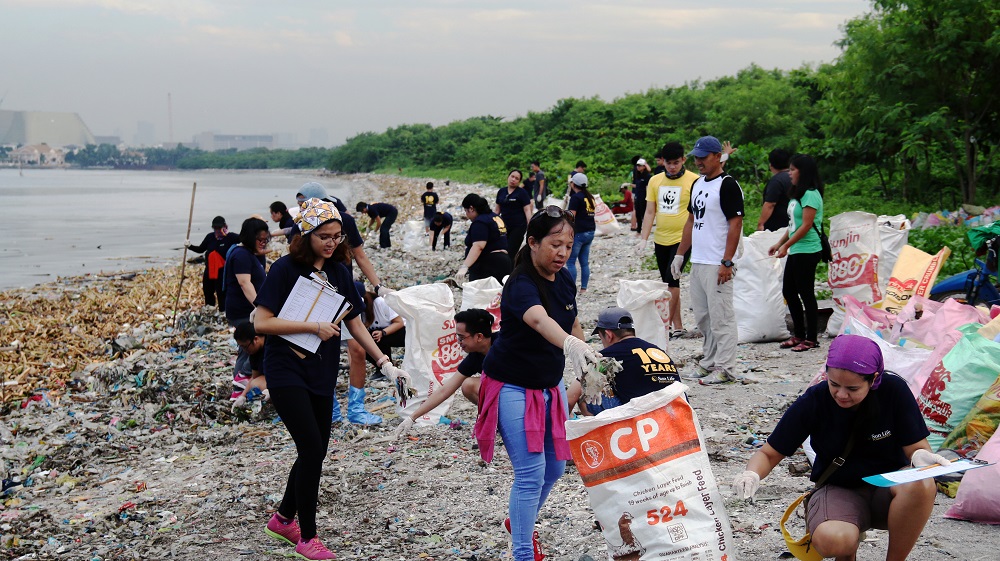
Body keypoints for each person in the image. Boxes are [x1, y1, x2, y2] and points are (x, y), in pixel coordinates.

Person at [253, 197, 411, 560]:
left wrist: (385, 363)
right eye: (323, 235)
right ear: (305, 235)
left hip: (321, 370)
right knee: (310, 447)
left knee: (317, 450)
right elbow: (261, 322)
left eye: (337, 236)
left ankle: (282, 519)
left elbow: (354, 321)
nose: (331, 242)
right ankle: (307, 537)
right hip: (285, 368)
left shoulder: (340, 272)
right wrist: (312, 325)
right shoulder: (285, 269)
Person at [732, 335, 948, 561]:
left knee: (922, 483)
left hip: (889, 491)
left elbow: (916, 447)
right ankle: (846, 552)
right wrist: (752, 473)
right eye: (834, 384)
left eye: (852, 388)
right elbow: (769, 453)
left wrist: (921, 457)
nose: (841, 395)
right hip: (840, 488)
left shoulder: (894, 391)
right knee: (835, 540)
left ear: (874, 379)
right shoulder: (814, 400)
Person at [475, 207, 601, 561]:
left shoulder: (564, 278)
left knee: (555, 468)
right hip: (511, 385)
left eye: (568, 244)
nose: (562, 252)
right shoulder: (520, 283)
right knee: (530, 473)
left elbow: (571, 320)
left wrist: (588, 357)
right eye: (554, 244)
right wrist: (570, 345)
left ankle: (519, 520)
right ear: (532, 243)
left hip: (549, 386)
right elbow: (539, 319)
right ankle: (522, 553)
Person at [296, 182, 390, 424]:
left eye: (304, 202)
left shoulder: (344, 220)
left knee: (357, 349)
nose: (301, 208)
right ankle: (331, 409)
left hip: (343, 293)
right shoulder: (303, 223)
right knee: (317, 353)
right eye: (299, 204)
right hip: (314, 297)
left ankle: (357, 409)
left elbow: (359, 255)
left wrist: (378, 285)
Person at [673, 135, 744, 385]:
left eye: (703, 157)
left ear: (716, 156)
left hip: (717, 261)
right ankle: (709, 361)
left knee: (721, 316)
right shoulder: (698, 184)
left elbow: (735, 224)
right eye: (696, 157)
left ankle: (726, 367)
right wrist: (681, 254)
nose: (698, 161)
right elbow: (691, 221)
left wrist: (727, 261)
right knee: (703, 316)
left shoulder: (727, 185)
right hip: (700, 261)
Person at [393, 308, 495, 438]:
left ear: (479, 336)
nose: (459, 342)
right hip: (503, 392)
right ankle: (498, 419)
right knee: (468, 385)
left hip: (522, 390)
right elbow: (445, 390)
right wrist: (412, 418)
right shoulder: (474, 358)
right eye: (457, 337)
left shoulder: (503, 344)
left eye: (462, 337)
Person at [566, 307, 681, 415]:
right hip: (677, 412)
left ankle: (606, 433)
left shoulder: (607, 355)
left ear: (608, 335)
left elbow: (571, 397)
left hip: (644, 419)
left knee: (586, 388)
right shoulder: (657, 350)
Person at [637, 141, 699, 339]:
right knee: (669, 283)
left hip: (683, 239)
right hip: (661, 238)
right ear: (662, 161)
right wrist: (643, 238)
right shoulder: (655, 181)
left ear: (684, 160)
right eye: (668, 163)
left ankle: (665, 328)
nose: (672, 167)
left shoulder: (694, 180)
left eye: (676, 162)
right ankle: (678, 326)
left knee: (673, 281)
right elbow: (649, 211)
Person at [770, 154, 825, 352]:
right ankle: (799, 335)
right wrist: (780, 243)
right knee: (789, 292)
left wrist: (786, 246)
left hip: (808, 249)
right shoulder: (798, 195)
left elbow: (807, 225)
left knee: (806, 294)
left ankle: (811, 338)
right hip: (797, 249)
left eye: (793, 169)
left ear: (803, 172)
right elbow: (794, 225)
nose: (789, 173)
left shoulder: (811, 194)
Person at [222, 217, 270, 398]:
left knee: (246, 348)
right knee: (250, 345)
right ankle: (241, 380)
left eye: (265, 240)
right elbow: (245, 283)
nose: (263, 243)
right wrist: (259, 307)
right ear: (250, 237)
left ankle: (241, 385)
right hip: (243, 310)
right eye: (260, 240)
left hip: (249, 309)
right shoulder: (240, 255)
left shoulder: (253, 253)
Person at [186, 216, 240, 310]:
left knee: (221, 292)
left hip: (223, 271)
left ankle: (223, 311)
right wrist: (189, 246)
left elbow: (245, 240)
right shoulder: (210, 237)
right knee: (208, 290)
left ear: (224, 226)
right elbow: (201, 249)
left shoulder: (231, 237)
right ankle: (209, 309)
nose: (218, 230)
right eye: (215, 228)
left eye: (219, 228)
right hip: (210, 270)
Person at [457, 193, 511, 283]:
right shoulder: (496, 217)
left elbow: (478, 246)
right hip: (504, 261)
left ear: (471, 208)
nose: (466, 214)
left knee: (482, 295)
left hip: (489, 265)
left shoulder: (480, 222)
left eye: (466, 211)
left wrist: (465, 266)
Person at [356, 282, 406, 369]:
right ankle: (383, 367)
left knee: (376, 338)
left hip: (403, 331)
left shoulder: (380, 302)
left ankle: (388, 366)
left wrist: (383, 332)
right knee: (362, 342)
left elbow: (399, 322)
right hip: (381, 334)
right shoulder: (359, 312)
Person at [565, 173, 596, 294]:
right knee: (584, 262)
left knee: (571, 261)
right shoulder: (590, 197)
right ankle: (584, 288)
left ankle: (571, 289)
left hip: (579, 232)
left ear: (573, 184)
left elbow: (571, 216)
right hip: (590, 231)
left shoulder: (576, 198)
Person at [495, 169, 533, 253]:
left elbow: (527, 210)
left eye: (516, 178)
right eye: (512, 177)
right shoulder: (501, 192)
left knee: (511, 250)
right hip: (503, 225)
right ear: (508, 177)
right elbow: (497, 210)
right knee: (501, 248)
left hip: (518, 226)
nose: (513, 180)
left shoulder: (522, 193)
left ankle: (511, 265)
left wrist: (531, 225)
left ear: (519, 181)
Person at [231, 321, 267, 405]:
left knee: (257, 385)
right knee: (254, 386)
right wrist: (242, 396)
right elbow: (255, 376)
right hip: (270, 380)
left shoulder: (272, 347)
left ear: (256, 339)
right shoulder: (254, 353)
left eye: (245, 346)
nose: (245, 351)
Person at [758, 149, 792, 232]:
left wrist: (761, 224)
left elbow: (770, 204)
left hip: (777, 228)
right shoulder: (794, 178)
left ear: (771, 165)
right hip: (793, 224)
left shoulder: (776, 181)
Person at [632, 158, 651, 233]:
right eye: (637, 166)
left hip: (644, 196)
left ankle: (645, 229)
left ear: (644, 166)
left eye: (640, 166)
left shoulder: (647, 176)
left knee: (644, 213)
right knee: (638, 213)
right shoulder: (637, 175)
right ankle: (639, 229)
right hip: (638, 195)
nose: (638, 167)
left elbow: (648, 187)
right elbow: (636, 185)